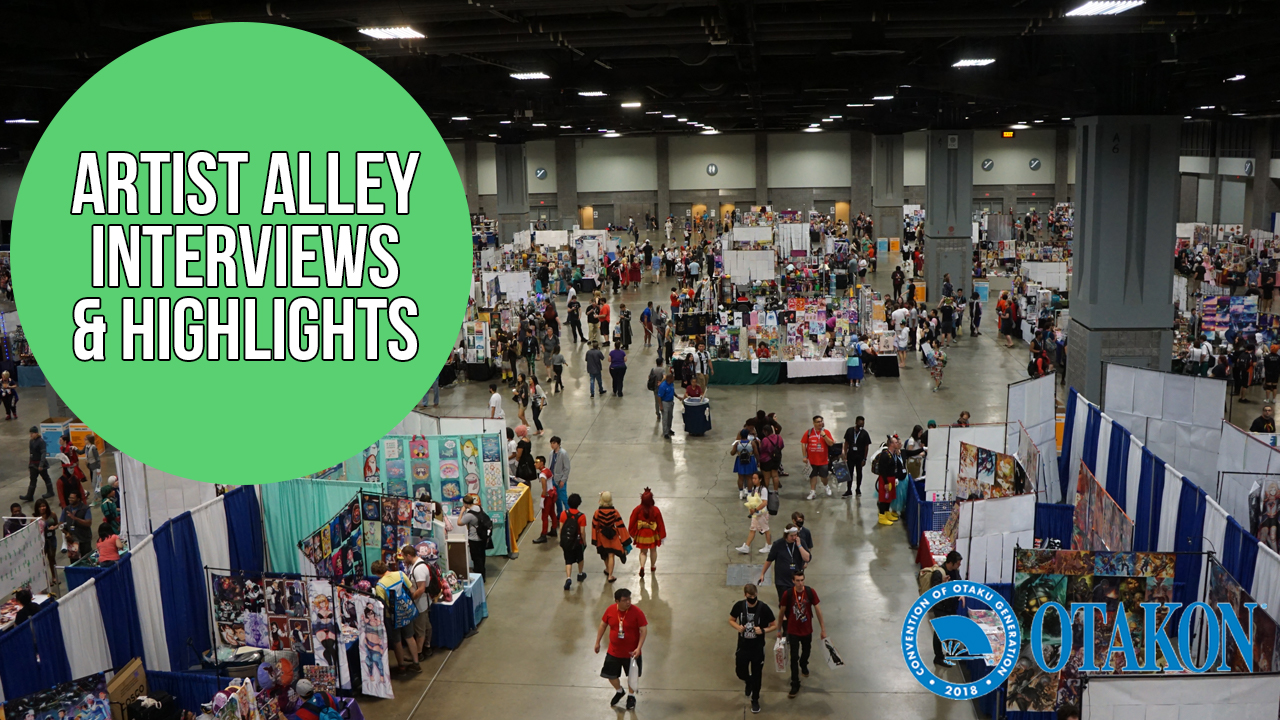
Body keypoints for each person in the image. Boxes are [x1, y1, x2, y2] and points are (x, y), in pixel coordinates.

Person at [594, 588, 647, 710]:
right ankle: (619, 691)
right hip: (614, 651)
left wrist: (639, 648)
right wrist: (597, 642)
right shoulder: (610, 610)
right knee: (610, 675)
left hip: (632, 653)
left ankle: (631, 696)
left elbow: (643, 630)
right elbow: (603, 625)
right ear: (617, 601)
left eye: (629, 599)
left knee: (633, 676)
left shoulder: (637, 612)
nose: (628, 602)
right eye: (625, 600)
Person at [729, 583, 778, 714]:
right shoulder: (739, 606)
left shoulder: (763, 608)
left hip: (757, 648)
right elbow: (731, 619)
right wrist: (738, 627)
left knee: (757, 675)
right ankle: (748, 681)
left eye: (754, 596)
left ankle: (755, 699)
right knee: (740, 671)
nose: (752, 598)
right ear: (745, 595)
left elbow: (774, 625)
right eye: (750, 596)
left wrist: (763, 630)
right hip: (743, 646)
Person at [778, 570, 827, 698]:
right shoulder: (788, 594)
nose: (800, 583)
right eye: (798, 581)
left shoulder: (810, 592)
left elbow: (818, 610)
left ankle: (804, 663)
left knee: (806, 651)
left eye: (802, 580)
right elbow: (781, 612)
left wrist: (823, 629)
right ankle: (795, 683)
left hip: (806, 630)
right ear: (793, 581)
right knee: (794, 657)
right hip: (793, 631)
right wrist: (779, 630)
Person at [372, 559, 422, 674]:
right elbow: (412, 590)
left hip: (393, 617)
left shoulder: (380, 585)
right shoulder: (400, 574)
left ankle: (401, 666)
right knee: (410, 637)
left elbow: (381, 604)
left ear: (377, 573)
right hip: (406, 611)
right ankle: (416, 663)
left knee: (397, 641)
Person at [757, 524, 811, 605]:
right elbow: (769, 560)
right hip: (782, 581)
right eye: (791, 536)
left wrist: (799, 545)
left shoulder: (800, 542)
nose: (794, 537)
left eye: (795, 535)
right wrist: (762, 574)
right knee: (784, 603)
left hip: (796, 580)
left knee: (796, 603)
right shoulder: (778, 544)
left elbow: (807, 558)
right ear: (786, 535)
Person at [399, 544, 435, 660]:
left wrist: (411, 599)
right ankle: (427, 647)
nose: (404, 560)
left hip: (421, 603)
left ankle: (418, 653)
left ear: (409, 556)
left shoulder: (419, 569)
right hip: (423, 602)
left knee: (420, 630)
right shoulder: (417, 564)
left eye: (404, 557)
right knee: (426, 625)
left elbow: (421, 589)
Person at [592, 491, 630, 583]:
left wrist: (594, 539)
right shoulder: (615, 512)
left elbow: (594, 526)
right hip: (612, 536)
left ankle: (607, 569)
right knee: (611, 554)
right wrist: (625, 540)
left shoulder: (597, 512)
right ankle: (610, 575)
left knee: (605, 553)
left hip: (602, 536)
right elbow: (620, 526)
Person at [627, 488, 666, 577]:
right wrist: (662, 534)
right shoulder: (656, 510)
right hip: (653, 534)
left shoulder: (637, 509)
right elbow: (660, 523)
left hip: (642, 534)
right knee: (653, 550)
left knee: (643, 552)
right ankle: (652, 566)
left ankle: (642, 566)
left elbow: (632, 521)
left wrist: (633, 533)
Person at [873, 436, 907, 525]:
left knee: (888, 498)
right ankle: (882, 516)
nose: (898, 444)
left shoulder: (893, 454)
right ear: (891, 444)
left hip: (892, 479)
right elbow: (882, 470)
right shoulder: (885, 455)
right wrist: (886, 483)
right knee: (883, 498)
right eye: (896, 442)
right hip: (886, 479)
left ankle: (887, 512)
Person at [801, 415, 835, 500]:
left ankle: (826, 486)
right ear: (814, 423)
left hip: (823, 460)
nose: (820, 423)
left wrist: (824, 436)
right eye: (818, 422)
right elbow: (803, 443)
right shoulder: (809, 432)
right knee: (813, 476)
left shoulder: (826, 432)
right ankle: (813, 492)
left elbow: (831, 443)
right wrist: (804, 456)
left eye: (821, 421)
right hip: (812, 460)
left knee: (824, 476)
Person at [736, 472, 772, 554]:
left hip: (762, 513)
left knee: (766, 529)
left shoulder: (763, 489)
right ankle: (747, 546)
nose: (753, 480)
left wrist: (756, 509)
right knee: (752, 529)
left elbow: (764, 502)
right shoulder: (754, 489)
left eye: (755, 478)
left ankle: (769, 546)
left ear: (760, 479)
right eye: (753, 478)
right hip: (756, 514)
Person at [560, 492, 589, 590]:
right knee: (580, 558)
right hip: (577, 542)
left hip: (567, 541)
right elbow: (582, 532)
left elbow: (561, 529)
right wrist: (584, 542)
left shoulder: (564, 514)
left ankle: (568, 578)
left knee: (568, 560)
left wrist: (562, 540)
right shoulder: (581, 516)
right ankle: (580, 574)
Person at [457, 495, 489, 581]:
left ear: (465, 504)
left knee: (476, 559)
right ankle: (483, 575)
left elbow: (459, 523)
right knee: (482, 557)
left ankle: (479, 577)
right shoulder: (480, 508)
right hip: (482, 537)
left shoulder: (469, 515)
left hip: (474, 539)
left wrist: (461, 512)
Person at [532, 455, 560, 544]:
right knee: (552, 513)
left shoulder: (542, 475)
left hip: (547, 496)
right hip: (552, 495)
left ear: (542, 463)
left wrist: (542, 499)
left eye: (536, 462)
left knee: (544, 517)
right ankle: (554, 529)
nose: (535, 464)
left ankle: (543, 535)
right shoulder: (548, 470)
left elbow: (544, 488)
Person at [22, 426, 55, 502]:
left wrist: (41, 464)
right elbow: (31, 454)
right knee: (32, 479)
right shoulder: (31, 441)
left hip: (40, 463)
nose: (31, 435)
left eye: (32, 433)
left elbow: (43, 453)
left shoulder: (41, 441)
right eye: (30, 433)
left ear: (36, 433)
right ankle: (30, 495)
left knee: (46, 477)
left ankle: (50, 492)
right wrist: (30, 464)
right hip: (33, 464)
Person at [842, 416, 872, 497]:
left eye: (863, 423)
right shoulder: (849, 431)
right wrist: (845, 454)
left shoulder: (865, 433)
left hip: (860, 456)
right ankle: (849, 489)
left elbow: (866, 447)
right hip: (851, 455)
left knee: (859, 473)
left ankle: (858, 488)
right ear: (856, 422)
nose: (861, 425)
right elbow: (846, 443)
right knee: (849, 473)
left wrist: (864, 458)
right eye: (860, 423)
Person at [60, 489, 92, 560]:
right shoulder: (66, 509)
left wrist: (75, 518)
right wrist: (66, 533)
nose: (70, 499)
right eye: (69, 498)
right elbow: (61, 524)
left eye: (72, 498)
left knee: (86, 559)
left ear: (78, 499)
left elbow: (88, 523)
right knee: (74, 560)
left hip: (84, 539)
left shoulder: (85, 509)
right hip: (72, 540)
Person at [33, 498, 58, 587]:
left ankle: (54, 576)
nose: (42, 508)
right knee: (42, 561)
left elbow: (57, 524)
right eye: (40, 507)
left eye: (44, 506)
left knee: (52, 558)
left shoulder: (52, 514)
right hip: (41, 542)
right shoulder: (34, 518)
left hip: (51, 539)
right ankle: (46, 579)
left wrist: (54, 527)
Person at [730, 428, 760, 499]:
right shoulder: (752, 443)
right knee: (749, 477)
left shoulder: (737, 443)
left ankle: (741, 493)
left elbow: (732, 453)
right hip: (750, 460)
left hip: (740, 461)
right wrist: (758, 461)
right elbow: (756, 453)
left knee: (740, 477)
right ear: (747, 435)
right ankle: (749, 493)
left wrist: (737, 451)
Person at [548, 436, 572, 516]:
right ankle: (559, 514)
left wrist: (563, 480)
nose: (552, 445)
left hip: (560, 480)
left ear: (558, 444)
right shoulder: (551, 454)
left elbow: (567, 468)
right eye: (551, 443)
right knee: (556, 499)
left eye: (554, 443)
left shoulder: (563, 453)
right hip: (552, 479)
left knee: (563, 498)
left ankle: (569, 513)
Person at [657, 372, 676, 439]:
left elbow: (673, 391)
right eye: (672, 378)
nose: (673, 379)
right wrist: (661, 406)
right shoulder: (663, 386)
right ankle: (665, 433)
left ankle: (669, 429)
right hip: (665, 403)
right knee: (665, 418)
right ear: (669, 379)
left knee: (670, 417)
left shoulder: (671, 384)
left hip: (671, 402)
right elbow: (659, 396)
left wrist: (677, 397)